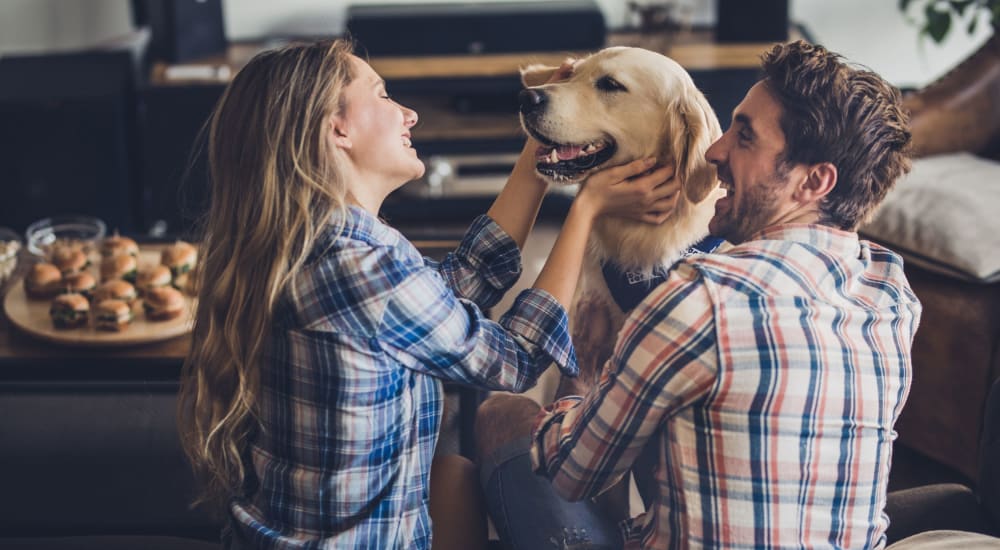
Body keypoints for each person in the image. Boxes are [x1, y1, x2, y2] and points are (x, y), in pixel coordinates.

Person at [176, 39, 678, 550]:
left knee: (453, 475)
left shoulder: (325, 241)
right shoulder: (358, 268)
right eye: (384, 96)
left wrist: (543, 151)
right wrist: (585, 208)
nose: (409, 114)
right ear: (337, 127)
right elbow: (513, 360)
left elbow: (460, 282)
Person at [475, 39, 922, 549]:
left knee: (499, 414)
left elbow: (572, 471)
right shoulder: (892, 295)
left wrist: (581, 377)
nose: (714, 150)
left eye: (745, 138)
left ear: (813, 182)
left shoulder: (699, 299)